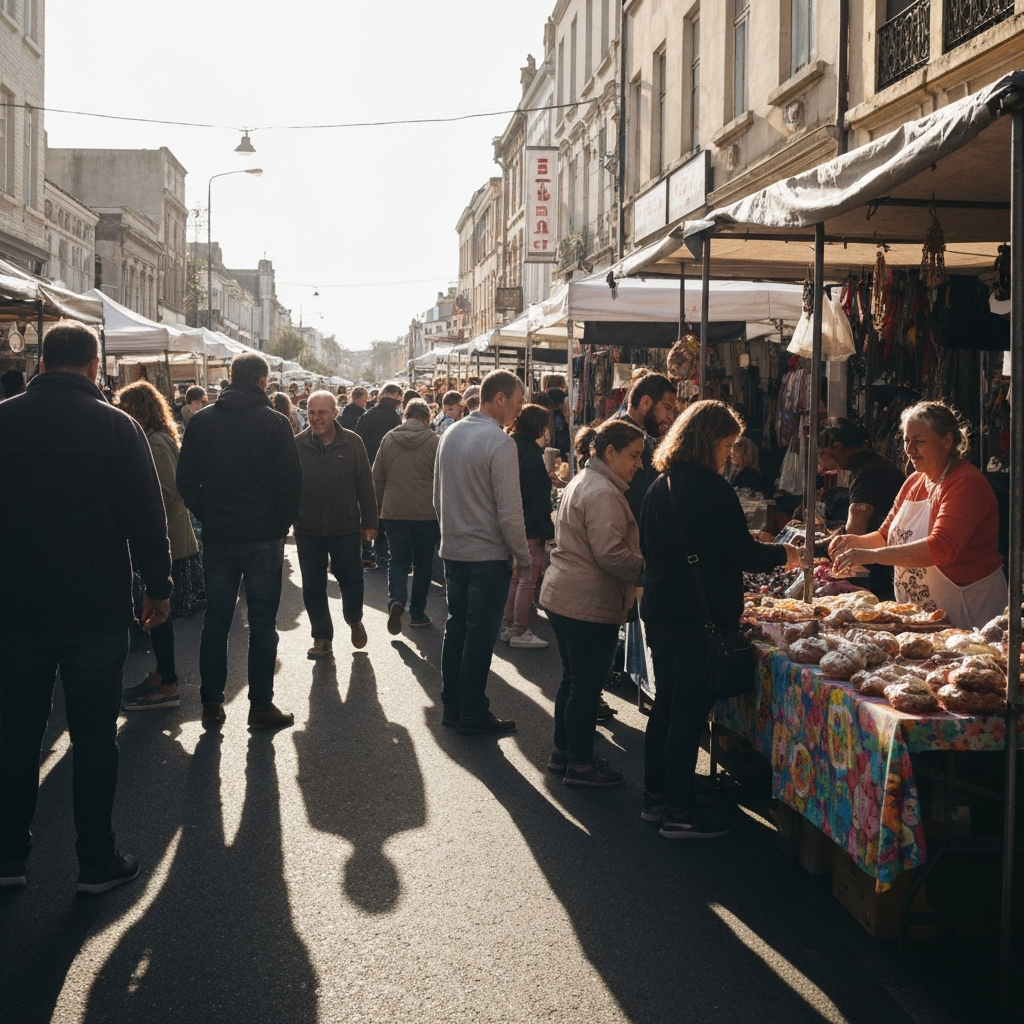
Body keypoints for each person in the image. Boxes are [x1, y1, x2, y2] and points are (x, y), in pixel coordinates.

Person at [0, 320, 172, 893]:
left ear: (43, 362)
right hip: (94, 605)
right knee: (94, 736)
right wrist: (159, 587)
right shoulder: (119, 427)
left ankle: (8, 854)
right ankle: (95, 857)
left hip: (17, 605)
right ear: (95, 366)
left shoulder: (4, 419)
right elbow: (148, 520)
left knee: (17, 735)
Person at [640, 401, 800, 839]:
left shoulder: (660, 485)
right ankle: (679, 812)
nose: (730, 452)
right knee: (687, 713)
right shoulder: (712, 488)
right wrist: (785, 555)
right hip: (698, 618)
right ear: (709, 440)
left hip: (662, 611)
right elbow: (741, 552)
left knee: (667, 707)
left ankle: (656, 798)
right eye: (727, 444)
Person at [176, 352, 302, 730]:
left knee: (217, 620)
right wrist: (280, 524)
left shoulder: (202, 421)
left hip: (220, 535)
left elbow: (185, 480)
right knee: (262, 624)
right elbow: (291, 483)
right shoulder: (275, 423)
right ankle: (261, 705)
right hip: (262, 535)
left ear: (231, 377)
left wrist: (208, 513)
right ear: (263, 381)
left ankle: (212, 703)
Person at [831, 402, 1005, 629]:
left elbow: (941, 548)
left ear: (947, 441)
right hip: (924, 616)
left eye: (918, 441)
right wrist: (854, 542)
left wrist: (868, 555)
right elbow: (886, 535)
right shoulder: (914, 482)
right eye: (906, 440)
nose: (909, 449)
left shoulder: (966, 482)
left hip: (969, 609)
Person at [540, 420, 647, 787]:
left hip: (567, 595)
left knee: (573, 682)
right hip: (586, 601)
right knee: (584, 687)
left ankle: (565, 752)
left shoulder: (587, 480)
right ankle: (581, 765)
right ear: (610, 452)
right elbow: (611, 555)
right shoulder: (603, 491)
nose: (639, 464)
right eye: (633, 455)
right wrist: (648, 566)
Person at [434, 370, 531, 734]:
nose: (519, 411)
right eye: (518, 402)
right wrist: (523, 557)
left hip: (455, 550)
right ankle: (472, 710)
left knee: (456, 628)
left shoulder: (451, 432)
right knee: (477, 636)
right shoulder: (500, 443)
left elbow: (437, 496)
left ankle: (453, 706)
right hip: (487, 555)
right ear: (500, 398)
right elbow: (510, 510)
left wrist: (448, 536)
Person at [115, 382, 203, 711]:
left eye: (126, 406)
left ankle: (167, 686)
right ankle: (160, 675)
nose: (122, 412)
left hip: (168, 542)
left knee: (157, 613)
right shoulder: (155, 438)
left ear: (139, 409)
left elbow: (163, 493)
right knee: (156, 614)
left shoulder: (154, 442)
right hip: (169, 540)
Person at [294, 390, 377, 656]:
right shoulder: (296, 444)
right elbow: (287, 486)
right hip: (308, 530)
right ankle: (321, 637)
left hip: (345, 527)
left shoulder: (352, 443)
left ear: (334, 413)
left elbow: (365, 484)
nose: (316, 418)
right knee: (313, 585)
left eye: (322, 413)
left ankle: (354, 618)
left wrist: (370, 521)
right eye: (311, 413)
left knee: (351, 579)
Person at [818, 418, 906, 599]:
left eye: (824, 453)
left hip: (882, 570)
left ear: (838, 446)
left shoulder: (868, 473)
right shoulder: (870, 466)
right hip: (886, 558)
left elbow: (855, 530)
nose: (823, 459)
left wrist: (819, 547)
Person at [373, 399, 440, 632]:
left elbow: (377, 478)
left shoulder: (389, 439)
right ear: (426, 419)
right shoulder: (434, 441)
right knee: (423, 564)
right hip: (426, 513)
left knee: (398, 560)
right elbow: (442, 480)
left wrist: (376, 513)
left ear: (405, 416)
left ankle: (397, 600)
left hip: (394, 510)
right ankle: (418, 612)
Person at [500, 404, 555, 649]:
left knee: (516, 577)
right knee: (527, 579)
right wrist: (548, 532)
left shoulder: (509, 444)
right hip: (530, 525)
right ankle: (519, 628)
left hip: (513, 520)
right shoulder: (531, 452)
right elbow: (537, 497)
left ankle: (508, 623)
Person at [355, 382, 403, 568]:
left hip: (367, 468)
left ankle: (366, 550)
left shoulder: (368, 415)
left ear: (380, 397)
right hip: (389, 471)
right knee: (383, 514)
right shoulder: (395, 420)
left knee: (367, 510)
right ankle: (382, 554)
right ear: (398, 401)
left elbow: (357, 440)